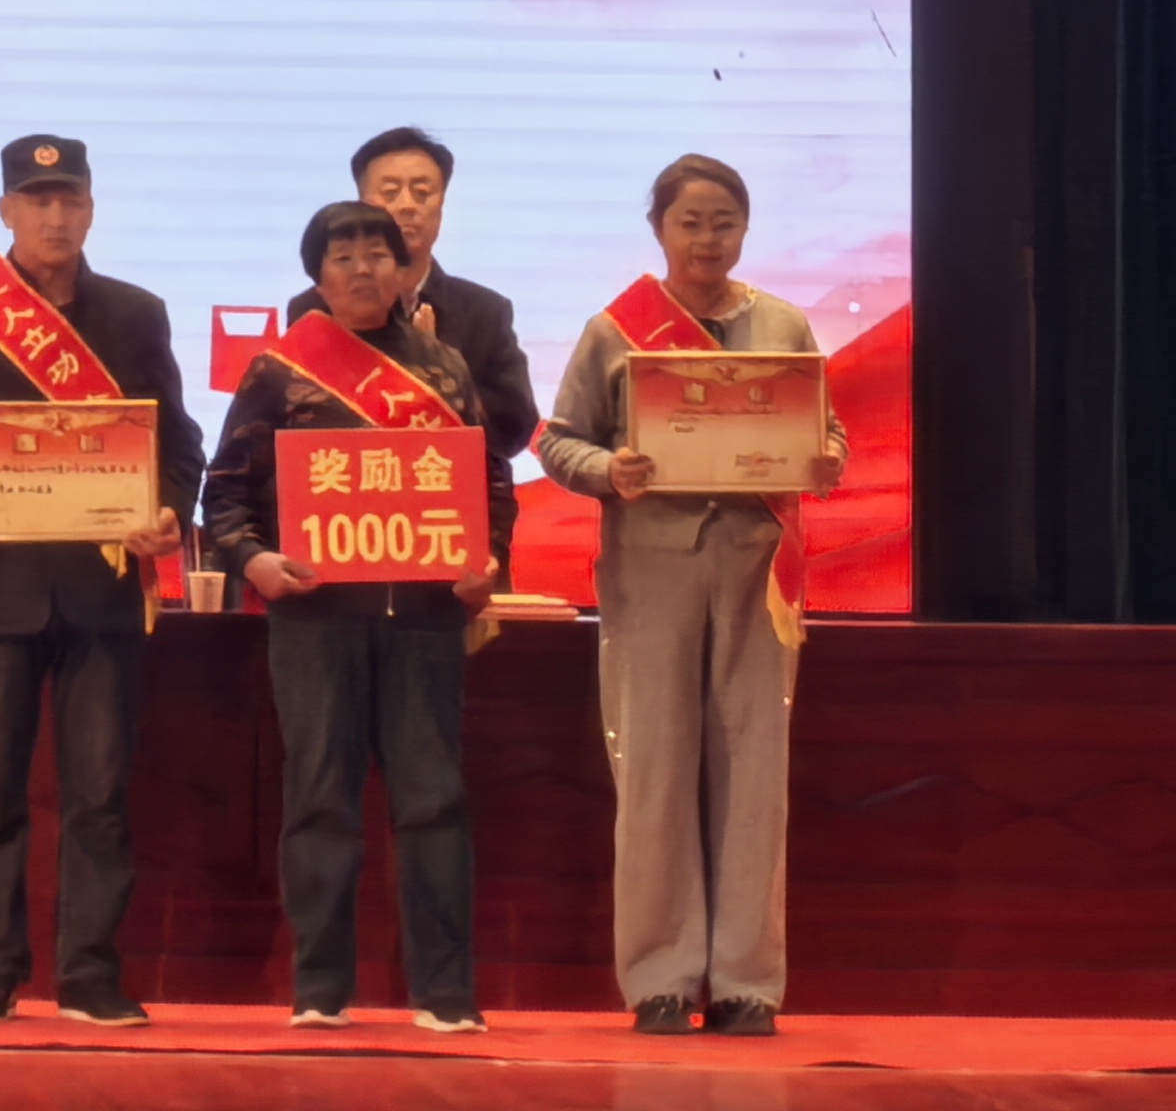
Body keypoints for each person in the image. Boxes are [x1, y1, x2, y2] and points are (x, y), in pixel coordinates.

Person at [0, 133, 200, 1026]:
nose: (54, 217)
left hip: (102, 588)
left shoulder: (137, 314)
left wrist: (168, 512)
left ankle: (91, 975)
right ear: (6, 211)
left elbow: (179, 445)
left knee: (100, 796)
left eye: (69, 201)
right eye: (36, 201)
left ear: (91, 210)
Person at [535, 154, 845, 1039]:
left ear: (745, 229)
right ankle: (661, 979)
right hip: (652, 566)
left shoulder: (782, 325)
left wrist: (825, 460)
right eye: (690, 222)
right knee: (656, 767)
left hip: (757, 567)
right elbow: (558, 442)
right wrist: (611, 470)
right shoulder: (615, 331)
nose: (708, 239)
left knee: (755, 769)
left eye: (724, 222)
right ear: (659, 229)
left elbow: (827, 431)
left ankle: (748, 982)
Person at [201, 202, 510, 1034]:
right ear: (318, 276)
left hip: (424, 621)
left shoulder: (445, 368)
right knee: (320, 800)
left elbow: (490, 486)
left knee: (433, 800)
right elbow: (224, 494)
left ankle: (445, 993)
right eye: (344, 257)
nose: (364, 269)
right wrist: (254, 560)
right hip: (316, 621)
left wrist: (488, 563)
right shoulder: (280, 371)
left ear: (405, 271)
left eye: (379, 254)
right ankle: (320, 989)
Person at [284, 130, 541, 479]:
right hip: (348, 488)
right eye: (390, 192)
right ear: (361, 204)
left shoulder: (484, 311)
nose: (407, 205)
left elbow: (516, 429)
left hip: (449, 490)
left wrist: (442, 373)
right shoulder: (315, 310)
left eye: (422, 192)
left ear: (442, 206)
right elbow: (294, 425)